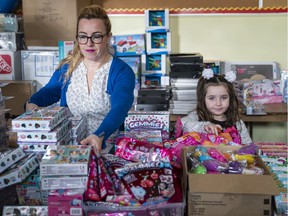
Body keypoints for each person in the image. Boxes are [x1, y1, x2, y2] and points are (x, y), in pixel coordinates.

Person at [25, 5, 135, 154]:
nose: (89, 43)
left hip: (106, 152)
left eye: (96, 36)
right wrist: (32, 102)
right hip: (69, 153)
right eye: (83, 36)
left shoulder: (121, 71)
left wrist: (99, 135)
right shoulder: (68, 67)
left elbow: (120, 106)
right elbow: (51, 90)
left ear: (108, 37)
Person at [181, 69, 252, 145]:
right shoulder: (196, 116)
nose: (218, 103)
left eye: (224, 98)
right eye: (211, 98)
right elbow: (185, 124)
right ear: (202, 99)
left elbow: (248, 146)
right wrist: (204, 126)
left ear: (230, 98)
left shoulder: (237, 122)